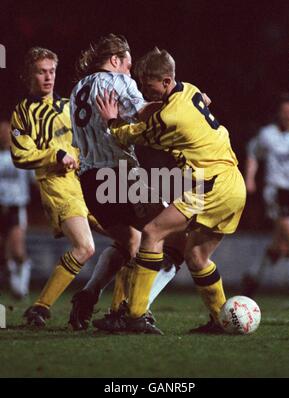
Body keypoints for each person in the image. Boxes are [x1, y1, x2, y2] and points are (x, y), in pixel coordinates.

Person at [96, 47, 246, 334]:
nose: (143, 89)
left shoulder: (172, 115)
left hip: (211, 184)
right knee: (197, 256)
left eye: (148, 83)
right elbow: (196, 102)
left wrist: (112, 122)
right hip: (232, 183)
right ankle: (221, 319)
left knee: (152, 233)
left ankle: (135, 316)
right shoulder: (189, 90)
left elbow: (133, 136)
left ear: (166, 81)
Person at [69, 34, 186, 333]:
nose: (132, 72)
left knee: (131, 242)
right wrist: (177, 103)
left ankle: (89, 294)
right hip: (120, 176)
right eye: (129, 64)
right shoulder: (118, 83)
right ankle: (136, 311)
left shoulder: (77, 89)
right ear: (116, 59)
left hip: (90, 181)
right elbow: (144, 110)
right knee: (175, 240)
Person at [10, 47, 100, 327]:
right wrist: (55, 155)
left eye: (51, 71)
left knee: (131, 241)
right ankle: (40, 307)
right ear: (28, 75)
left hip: (85, 183)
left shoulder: (68, 106)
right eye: (41, 71)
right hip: (57, 185)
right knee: (85, 247)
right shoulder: (23, 113)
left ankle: (118, 310)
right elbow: (20, 155)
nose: (48, 77)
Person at [243, 93, 289, 302]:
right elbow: (252, 153)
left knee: (280, 246)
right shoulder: (268, 135)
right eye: (286, 112)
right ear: (279, 113)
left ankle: (251, 279)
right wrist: (250, 178)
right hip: (276, 192)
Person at [0, 118, 33, 298]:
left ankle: (22, 285)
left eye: (7, 132)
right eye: (2, 132)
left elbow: (35, 181)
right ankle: (14, 282)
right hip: (1, 208)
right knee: (4, 252)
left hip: (16, 207)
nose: (4, 135)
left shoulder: (21, 156)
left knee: (18, 250)